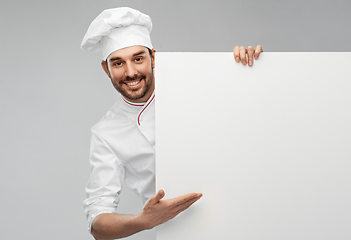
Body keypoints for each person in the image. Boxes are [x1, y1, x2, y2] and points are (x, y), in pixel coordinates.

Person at [81, 7, 263, 240]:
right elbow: (97, 223)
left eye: (138, 59)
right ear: (106, 69)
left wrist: (248, 70)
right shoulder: (105, 133)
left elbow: (252, 121)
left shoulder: (201, 87)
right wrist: (143, 221)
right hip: (179, 234)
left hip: (248, 220)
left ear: (153, 57)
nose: (130, 72)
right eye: (118, 63)